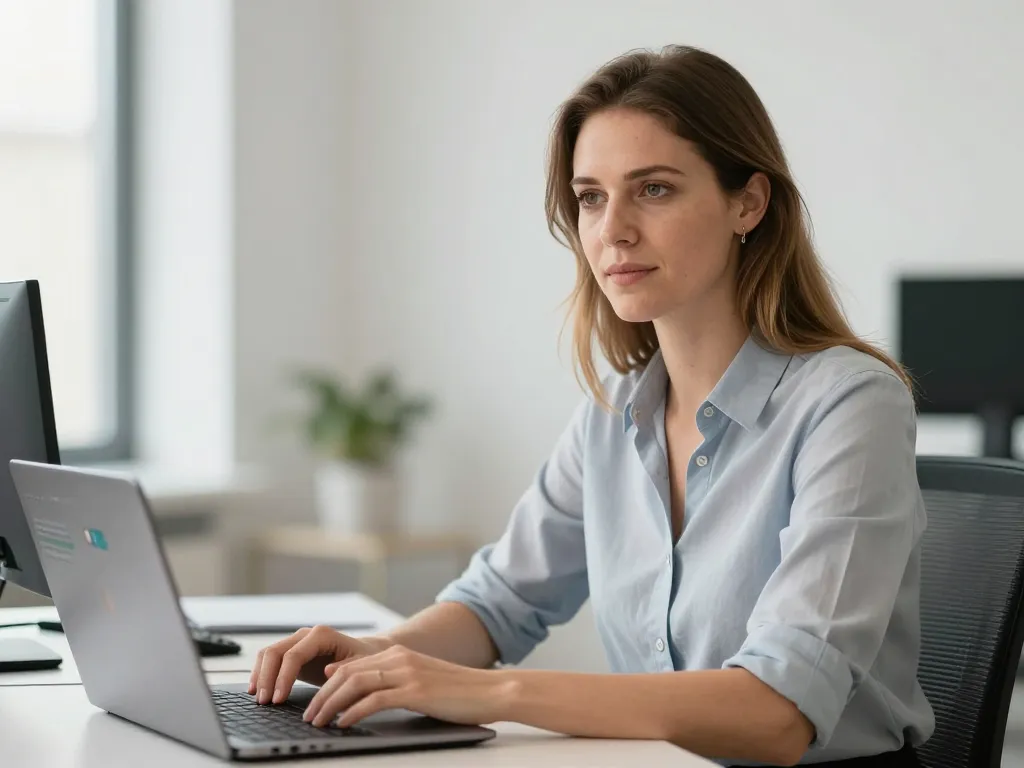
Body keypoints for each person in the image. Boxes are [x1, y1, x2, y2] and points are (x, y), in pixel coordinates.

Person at [249, 45, 935, 766]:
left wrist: (493, 693)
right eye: (591, 197)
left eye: (655, 189)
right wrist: (377, 656)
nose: (613, 230)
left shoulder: (852, 405)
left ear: (749, 202)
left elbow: (776, 713)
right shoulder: (616, 413)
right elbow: (498, 604)